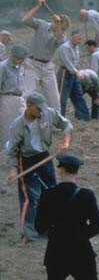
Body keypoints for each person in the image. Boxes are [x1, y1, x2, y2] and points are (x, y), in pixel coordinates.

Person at [5, 92, 73, 243]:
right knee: (30, 198)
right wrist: (13, 170)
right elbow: (11, 151)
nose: (41, 112)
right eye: (38, 109)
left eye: (43, 109)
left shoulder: (48, 113)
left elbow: (66, 124)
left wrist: (66, 141)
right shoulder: (17, 125)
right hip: (26, 159)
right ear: (29, 106)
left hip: (44, 155)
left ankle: (47, 229)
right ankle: (27, 234)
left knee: (50, 191)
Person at [35, 154, 99, 280]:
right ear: (76, 172)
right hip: (82, 251)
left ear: (61, 170)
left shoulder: (47, 195)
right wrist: (79, 234)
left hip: (56, 252)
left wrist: (56, 231)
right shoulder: (87, 195)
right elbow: (98, 226)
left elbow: (39, 227)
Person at [23, 0, 70, 111]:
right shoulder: (41, 24)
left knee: (54, 99)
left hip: (47, 67)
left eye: (64, 28)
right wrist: (38, 6)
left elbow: (59, 39)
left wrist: (59, 25)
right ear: (54, 21)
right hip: (32, 64)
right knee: (26, 95)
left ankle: (56, 124)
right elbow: (25, 20)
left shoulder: (62, 35)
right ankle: (22, 121)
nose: (63, 30)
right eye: (63, 27)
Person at [0, 45, 29, 164]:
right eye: (19, 58)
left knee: (23, 127)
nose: (21, 61)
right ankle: (5, 160)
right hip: (7, 98)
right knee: (7, 130)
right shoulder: (2, 67)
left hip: (20, 98)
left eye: (23, 58)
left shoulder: (20, 67)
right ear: (12, 55)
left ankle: (19, 157)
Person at [57, 30, 90, 121]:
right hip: (65, 74)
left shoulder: (76, 47)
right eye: (78, 39)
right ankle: (60, 119)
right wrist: (76, 72)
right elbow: (67, 63)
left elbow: (76, 61)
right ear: (72, 38)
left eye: (80, 39)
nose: (79, 41)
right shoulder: (64, 47)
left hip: (75, 75)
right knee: (62, 99)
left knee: (78, 96)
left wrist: (78, 71)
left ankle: (84, 118)